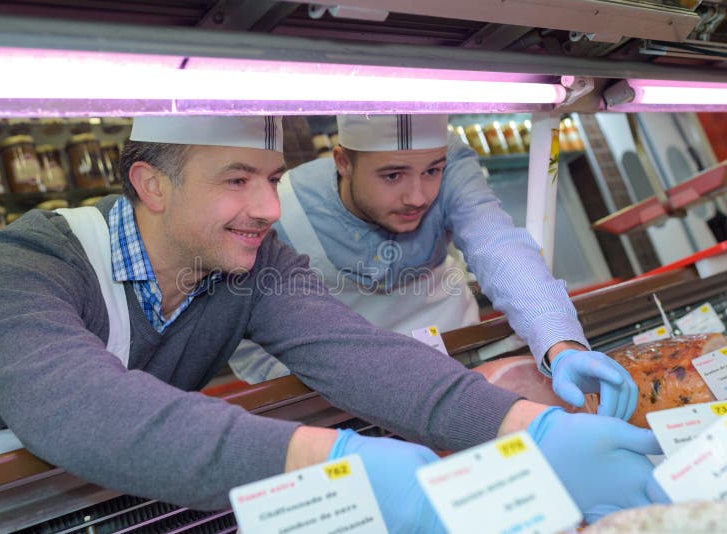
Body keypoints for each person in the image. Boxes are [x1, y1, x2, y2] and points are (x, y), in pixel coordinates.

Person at [0, 116, 662, 531]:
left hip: (122, 499)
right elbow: (88, 412)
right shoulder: (21, 264)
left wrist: (532, 427)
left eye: (273, 179)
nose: (270, 208)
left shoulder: (250, 262)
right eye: (237, 180)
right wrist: (339, 459)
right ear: (150, 184)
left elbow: (359, 354)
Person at [229, 113, 637, 421]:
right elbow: (256, 344)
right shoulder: (281, 209)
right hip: (341, 402)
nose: (418, 196)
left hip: (466, 367)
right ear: (343, 162)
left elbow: (497, 244)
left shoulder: (452, 163)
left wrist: (561, 344)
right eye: (392, 176)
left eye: (432, 171)